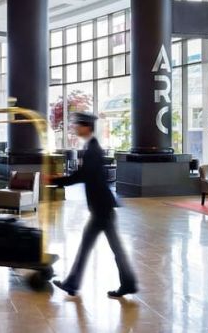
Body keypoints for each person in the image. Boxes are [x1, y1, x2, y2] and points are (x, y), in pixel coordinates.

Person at [52, 112, 138, 298]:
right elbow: (85, 175)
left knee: (108, 247)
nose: (75, 128)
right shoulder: (91, 147)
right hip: (101, 207)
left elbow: (83, 175)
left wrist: (57, 180)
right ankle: (126, 283)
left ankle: (76, 284)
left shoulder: (93, 149)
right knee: (96, 245)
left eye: (78, 125)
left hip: (102, 208)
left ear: (87, 127)